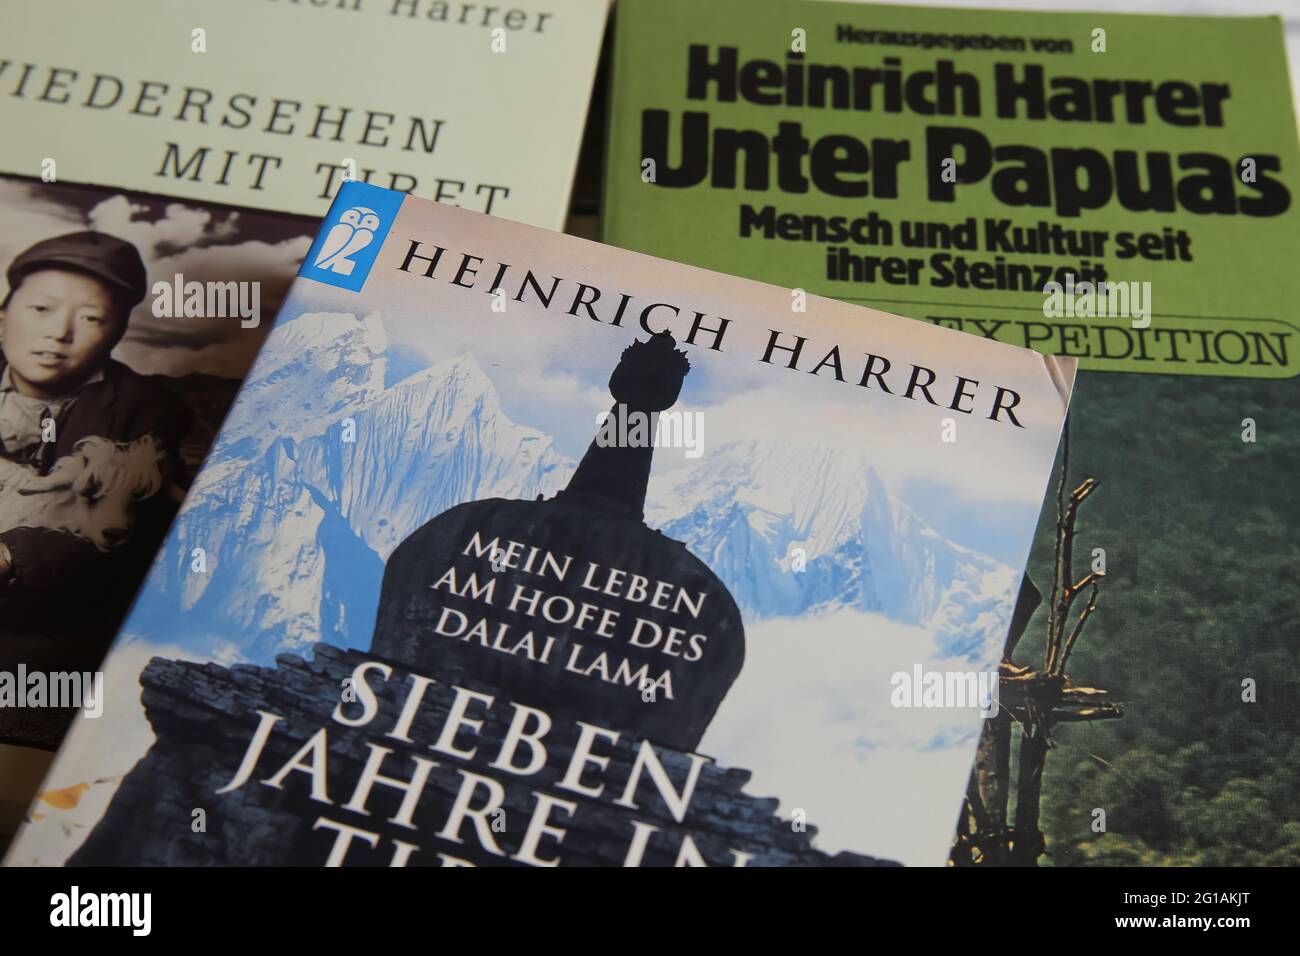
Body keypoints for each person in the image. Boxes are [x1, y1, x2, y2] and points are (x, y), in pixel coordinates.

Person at [0, 231, 189, 745]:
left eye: (90, 318)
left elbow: (120, 530)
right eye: (41, 308)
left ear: (116, 332)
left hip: (39, 638)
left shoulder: (147, 409)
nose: (59, 333)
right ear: (4, 310)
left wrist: (10, 555)